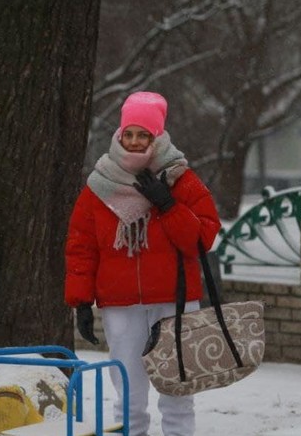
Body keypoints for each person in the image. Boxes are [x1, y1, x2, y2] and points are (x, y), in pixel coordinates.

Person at [64, 91, 220, 436]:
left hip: (173, 299)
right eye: (129, 134)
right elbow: (82, 245)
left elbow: (201, 239)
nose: (135, 142)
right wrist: (80, 301)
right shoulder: (99, 185)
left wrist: (168, 206)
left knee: (177, 385)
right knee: (128, 389)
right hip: (121, 303)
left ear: (157, 136)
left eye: (143, 135)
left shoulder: (182, 180)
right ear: (120, 135)